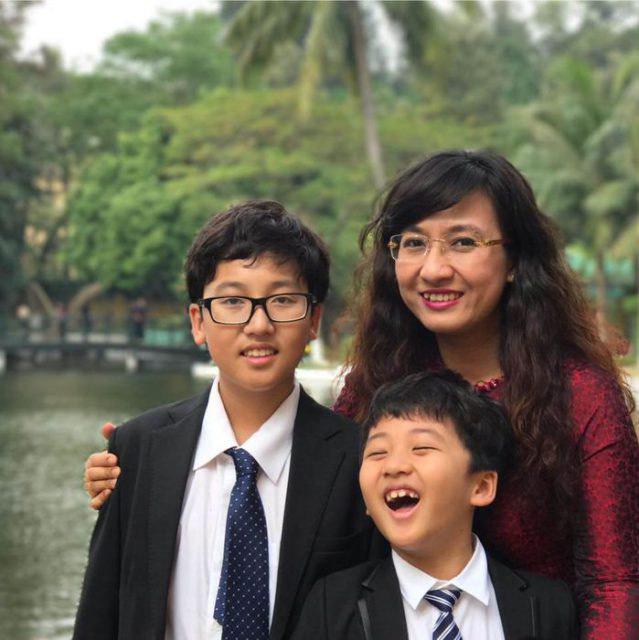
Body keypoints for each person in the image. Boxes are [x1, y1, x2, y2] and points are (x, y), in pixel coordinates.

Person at [84, 150, 639, 636]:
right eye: (413, 243)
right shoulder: (377, 384)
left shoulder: (580, 396)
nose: (434, 268)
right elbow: (324, 501)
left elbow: (614, 581)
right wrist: (139, 466)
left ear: (515, 259)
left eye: (464, 242)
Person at [74, 201, 382, 640]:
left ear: (313, 320)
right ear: (198, 321)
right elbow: (100, 611)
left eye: (282, 300)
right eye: (233, 301)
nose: (258, 324)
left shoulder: (357, 458)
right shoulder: (139, 448)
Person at [292, 371, 578, 639]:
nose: (394, 466)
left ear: (481, 487)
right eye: (377, 452)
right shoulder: (332, 606)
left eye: (421, 448)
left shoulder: (548, 606)